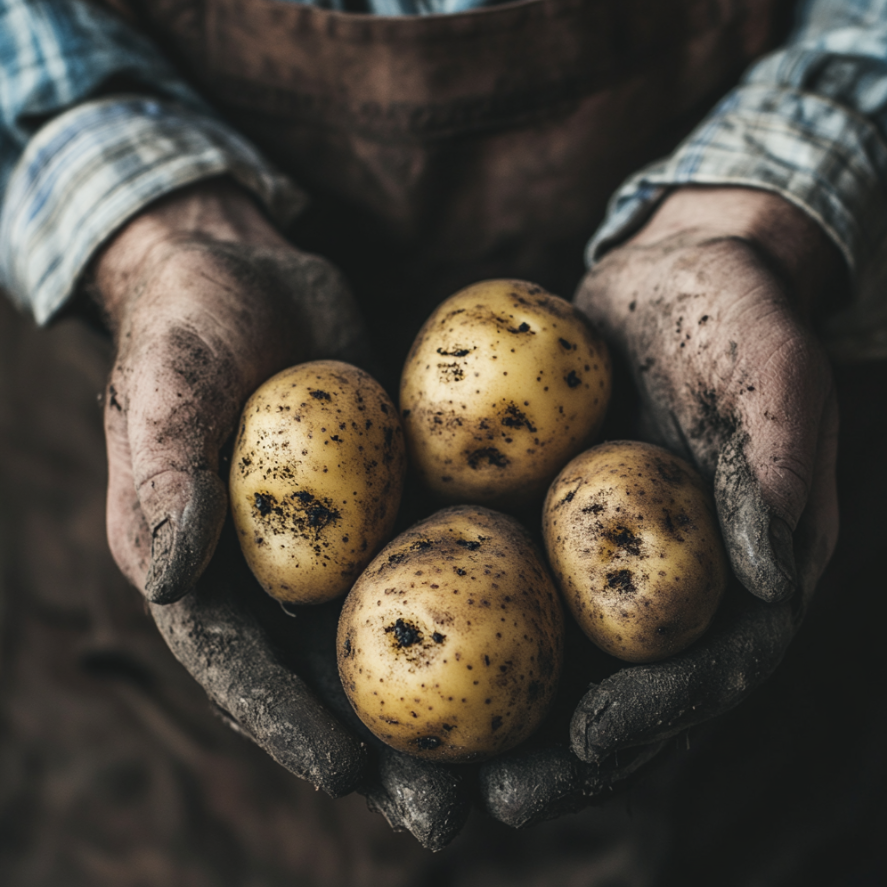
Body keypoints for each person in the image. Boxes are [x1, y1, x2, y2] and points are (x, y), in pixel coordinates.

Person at [1, 0, 886, 875]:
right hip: (137, 405)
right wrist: (157, 234)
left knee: (764, 813)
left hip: (744, 386)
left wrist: (756, 222)